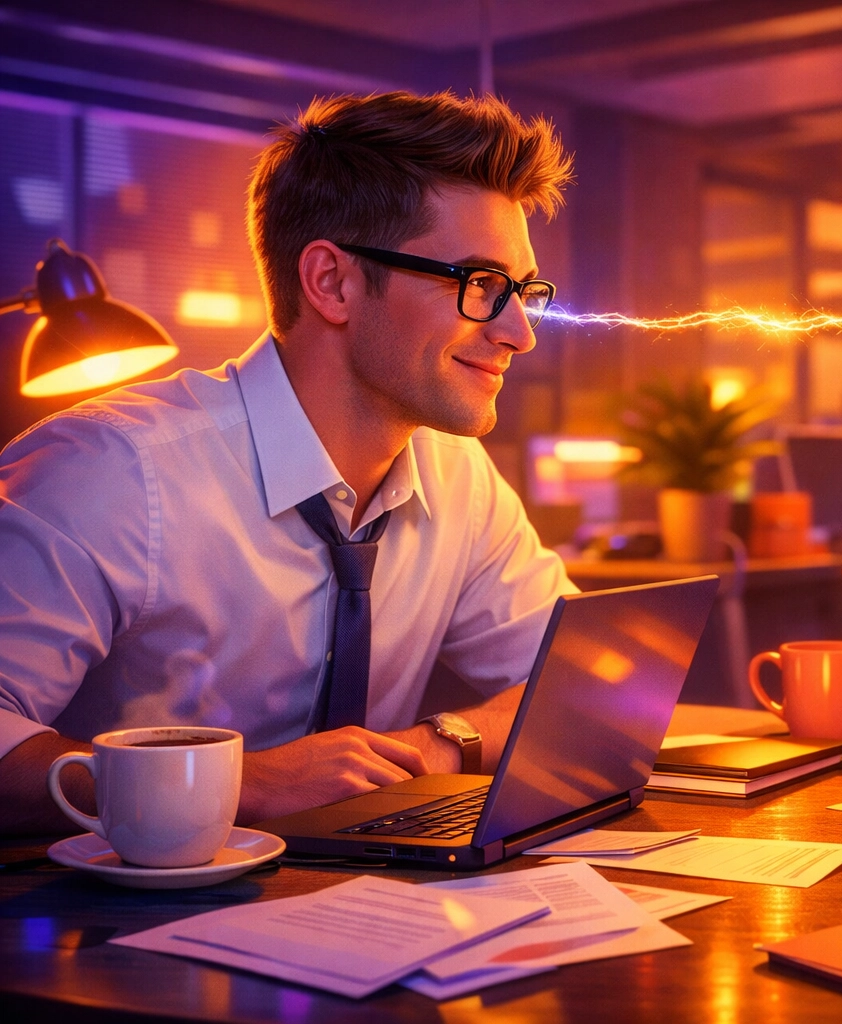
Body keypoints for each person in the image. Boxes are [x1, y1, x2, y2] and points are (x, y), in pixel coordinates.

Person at [0, 91, 578, 835]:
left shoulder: (456, 473)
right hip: (102, 929)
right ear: (332, 282)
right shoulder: (110, 471)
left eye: (523, 291)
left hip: (357, 912)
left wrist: (437, 748)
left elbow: (581, 684)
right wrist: (231, 785)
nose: (519, 334)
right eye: (481, 285)